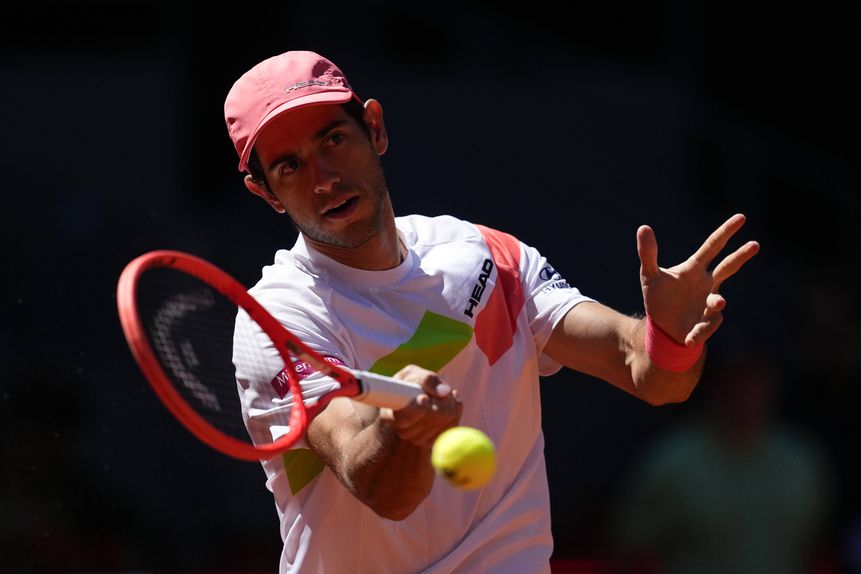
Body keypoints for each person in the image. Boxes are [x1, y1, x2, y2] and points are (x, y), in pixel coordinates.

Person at [223, 50, 759, 574]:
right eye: (289, 166)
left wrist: (669, 336)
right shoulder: (277, 319)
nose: (322, 179)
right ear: (265, 192)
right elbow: (380, 488)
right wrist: (404, 430)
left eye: (333, 140)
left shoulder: (483, 253)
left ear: (375, 128)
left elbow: (652, 376)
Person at [609, 350, 835, 574]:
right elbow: (631, 553)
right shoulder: (672, 461)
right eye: (734, 378)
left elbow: (820, 550)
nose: (744, 390)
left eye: (753, 377)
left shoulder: (802, 459)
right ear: (713, 383)